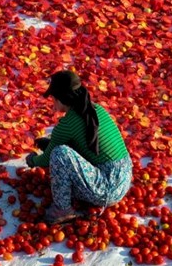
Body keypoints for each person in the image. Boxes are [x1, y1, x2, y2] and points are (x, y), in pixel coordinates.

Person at [24, 70, 132, 224]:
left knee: (59, 154)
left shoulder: (68, 123)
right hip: (124, 179)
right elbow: (84, 143)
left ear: (62, 99)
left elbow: (47, 159)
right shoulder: (96, 110)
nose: (53, 102)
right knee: (61, 150)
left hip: (106, 189)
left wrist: (33, 160)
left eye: (53, 98)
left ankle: (63, 209)